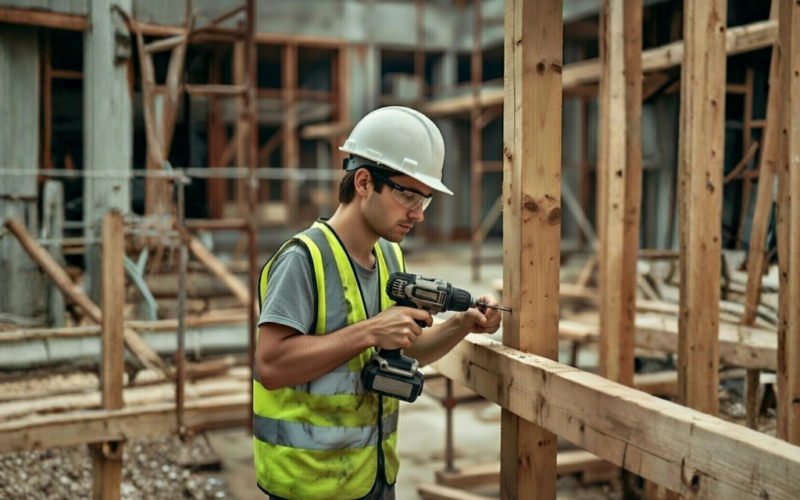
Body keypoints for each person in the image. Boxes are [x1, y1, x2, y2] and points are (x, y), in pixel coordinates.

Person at [253, 106, 503, 500]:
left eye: (426, 200)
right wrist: (370, 330)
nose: (418, 214)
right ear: (365, 182)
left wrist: (462, 324)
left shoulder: (390, 257)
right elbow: (270, 366)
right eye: (407, 195)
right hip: (308, 486)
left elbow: (407, 348)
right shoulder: (302, 259)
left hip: (374, 476)